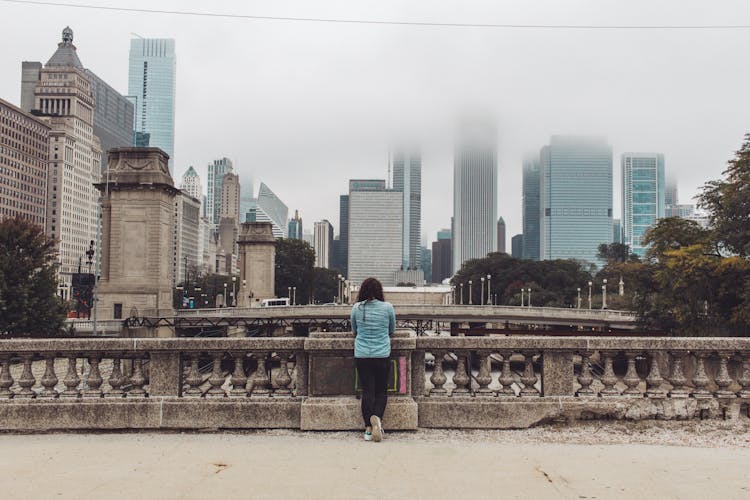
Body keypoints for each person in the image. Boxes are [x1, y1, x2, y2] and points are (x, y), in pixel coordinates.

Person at [350, 277, 395, 442]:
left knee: (367, 391)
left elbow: (354, 331)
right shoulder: (387, 307)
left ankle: (368, 428)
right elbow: (392, 330)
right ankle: (377, 418)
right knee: (381, 391)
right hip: (382, 354)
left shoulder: (356, 308)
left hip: (362, 355)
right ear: (379, 291)